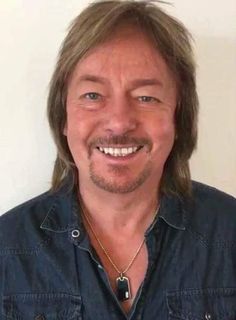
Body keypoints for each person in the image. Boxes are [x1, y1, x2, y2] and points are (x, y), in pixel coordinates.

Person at [0, 1, 236, 319]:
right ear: (63, 117)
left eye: (146, 97)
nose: (119, 122)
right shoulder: (7, 250)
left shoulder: (229, 235)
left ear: (179, 118)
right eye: (93, 96)